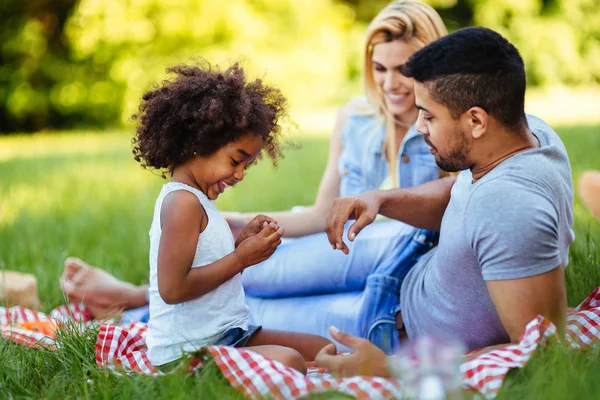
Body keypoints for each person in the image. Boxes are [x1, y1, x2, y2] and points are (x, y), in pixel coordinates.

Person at [61, 0, 450, 354]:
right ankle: (137, 303)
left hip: (401, 248)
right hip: (340, 242)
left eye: (404, 70)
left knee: (271, 285)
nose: (388, 83)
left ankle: (134, 301)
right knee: (255, 269)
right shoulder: (356, 118)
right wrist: (239, 223)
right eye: (380, 68)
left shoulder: (444, 125)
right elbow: (320, 214)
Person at [315, 26, 573, 377]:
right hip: (405, 270)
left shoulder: (510, 209)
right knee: (255, 276)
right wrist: (380, 199)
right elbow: (459, 194)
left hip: (390, 331)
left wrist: (391, 369)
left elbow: (539, 354)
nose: (419, 127)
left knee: (245, 316)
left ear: (477, 120)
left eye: (429, 115)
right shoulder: (528, 133)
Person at [127, 61, 330, 373]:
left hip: (229, 335)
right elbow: (173, 289)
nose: (240, 175)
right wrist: (241, 259)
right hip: (188, 353)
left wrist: (241, 242)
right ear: (199, 144)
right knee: (290, 362)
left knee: (321, 348)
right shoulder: (182, 201)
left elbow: (201, 260)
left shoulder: (198, 200)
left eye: (246, 166)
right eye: (236, 161)